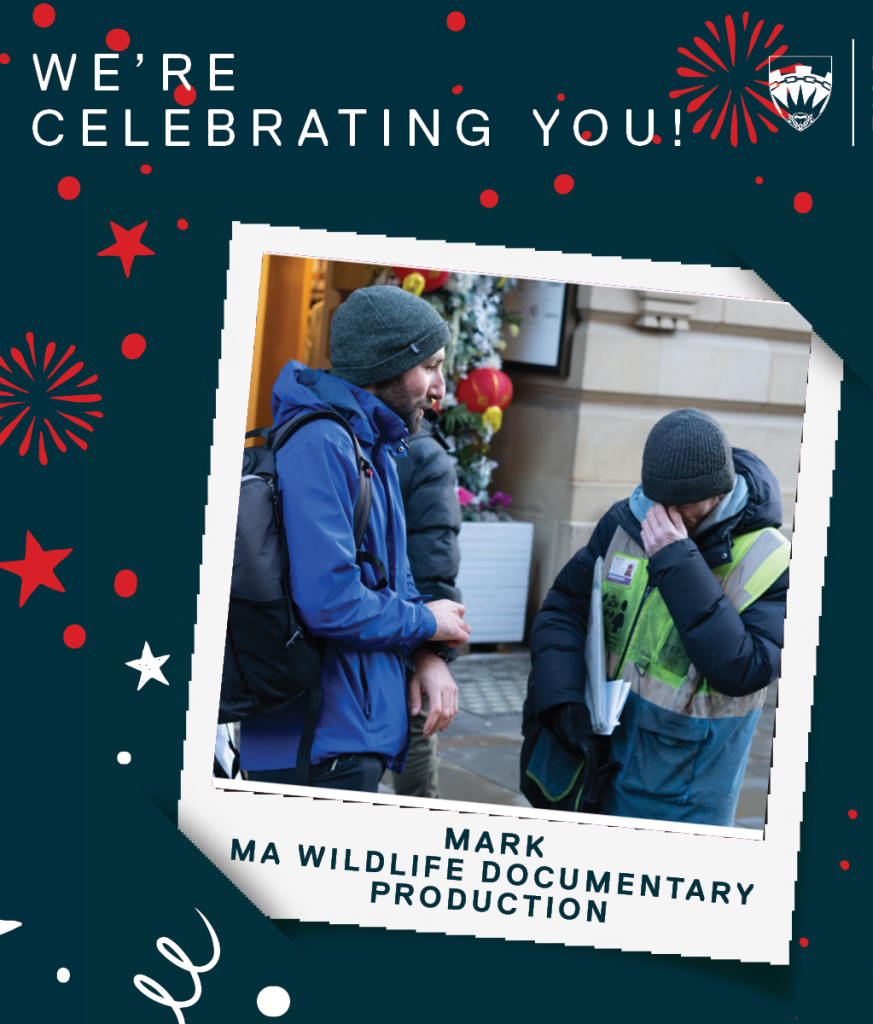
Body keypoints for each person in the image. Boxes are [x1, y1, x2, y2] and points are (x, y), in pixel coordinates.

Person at [240, 286, 470, 792]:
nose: (441, 387)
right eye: (429, 366)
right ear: (386, 365)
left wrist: (428, 652)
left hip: (352, 730)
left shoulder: (373, 442)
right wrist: (426, 622)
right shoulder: (324, 442)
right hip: (317, 739)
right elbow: (330, 601)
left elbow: (395, 576)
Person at [520, 408, 790, 825]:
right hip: (597, 762)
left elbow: (745, 669)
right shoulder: (625, 519)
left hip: (683, 790)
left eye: (683, 504)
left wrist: (676, 559)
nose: (664, 513)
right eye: (657, 497)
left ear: (719, 491)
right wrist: (563, 698)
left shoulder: (770, 557)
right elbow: (563, 608)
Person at [393, 406, 463, 798]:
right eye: (429, 367)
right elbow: (433, 561)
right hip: (402, 630)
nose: (438, 387)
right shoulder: (423, 451)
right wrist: (431, 651)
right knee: (417, 721)